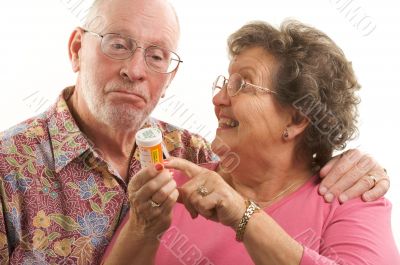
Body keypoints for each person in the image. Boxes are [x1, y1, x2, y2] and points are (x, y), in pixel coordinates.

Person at [0, 0, 390, 264]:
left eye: (156, 56)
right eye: (117, 45)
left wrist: (361, 163)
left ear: (298, 120)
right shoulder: (8, 166)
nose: (135, 70)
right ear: (75, 50)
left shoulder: (190, 157)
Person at [102, 20, 399, 264]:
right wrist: (143, 228)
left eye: (241, 85)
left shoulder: (350, 198)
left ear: (296, 119)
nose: (218, 99)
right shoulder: (174, 186)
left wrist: (243, 215)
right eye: (224, 84)